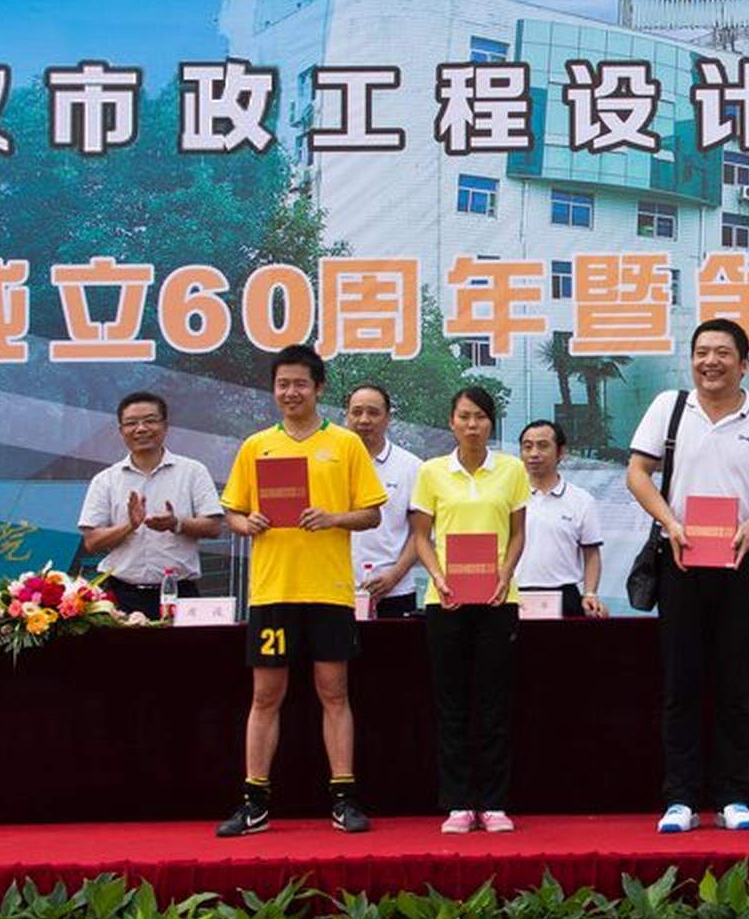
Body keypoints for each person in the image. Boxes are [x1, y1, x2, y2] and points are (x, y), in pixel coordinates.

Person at [627, 319, 749, 834]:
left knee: (734, 681)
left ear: (743, 364)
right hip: (680, 558)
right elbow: (637, 472)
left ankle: (732, 796)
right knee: (680, 681)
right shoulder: (670, 407)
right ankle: (680, 799)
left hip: (739, 558)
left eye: (723, 353)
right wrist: (670, 523)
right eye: (702, 352)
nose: (711, 362)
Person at [216, 345, 386, 837]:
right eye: (282, 384)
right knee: (265, 696)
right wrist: (246, 522)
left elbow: (372, 513)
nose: (291, 392)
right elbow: (232, 512)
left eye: (300, 384)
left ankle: (343, 798)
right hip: (273, 591)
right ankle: (254, 802)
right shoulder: (257, 446)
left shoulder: (346, 444)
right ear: (274, 389)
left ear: (319, 388)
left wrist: (332, 518)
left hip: (329, 591)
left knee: (334, 693)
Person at [409, 387, 530, 834]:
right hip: (446, 600)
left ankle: (494, 803)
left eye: (479, 416)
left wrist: (505, 572)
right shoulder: (432, 472)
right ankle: (458, 802)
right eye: (464, 416)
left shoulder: (511, 470)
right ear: (451, 421)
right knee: (452, 704)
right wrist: (438, 577)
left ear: (491, 423)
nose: (472, 424)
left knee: (494, 703)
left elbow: (518, 533)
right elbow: (421, 536)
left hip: (498, 599)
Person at [77, 391, 225, 619]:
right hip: (121, 597)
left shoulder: (193, 472)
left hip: (181, 594)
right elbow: (92, 541)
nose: (141, 429)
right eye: (131, 423)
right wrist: (129, 526)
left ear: (165, 426)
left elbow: (214, 527)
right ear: (121, 431)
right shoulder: (105, 480)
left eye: (150, 420)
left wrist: (176, 523)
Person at [346, 383, 424, 618]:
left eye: (373, 412)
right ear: (347, 416)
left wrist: (394, 575)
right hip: (338, 590)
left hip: (396, 591)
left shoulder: (411, 467)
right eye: (357, 412)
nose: (364, 420)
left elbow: (420, 533)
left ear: (388, 418)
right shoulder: (331, 464)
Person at [515, 418, 607, 618]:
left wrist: (590, 593)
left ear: (561, 452)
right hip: (513, 595)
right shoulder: (508, 499)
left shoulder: (582, 500)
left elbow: (591, 553)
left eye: (543, 446)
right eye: (527, 447)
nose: (534, 454)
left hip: (564, 596)